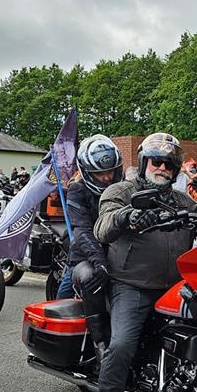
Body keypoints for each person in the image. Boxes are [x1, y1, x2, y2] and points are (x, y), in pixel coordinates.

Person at [82, 132, 197, 392]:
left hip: (178, 284)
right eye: (155, 161)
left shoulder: (180, 200)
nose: (160, 167)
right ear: (145, 162)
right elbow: (103, 225)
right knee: (120, 346)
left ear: (176, 169)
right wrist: (126, 217)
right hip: (132, 285)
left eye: (168, 163)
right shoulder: (122, 191)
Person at [65, 134, 124, 361]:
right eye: (100, 173)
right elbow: (81, 230)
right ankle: (100, 343)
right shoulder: (77, 190)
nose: (107, 177)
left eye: (111, 171)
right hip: (85, 256)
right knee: (91, 278)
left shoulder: (123, 187)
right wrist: (99, 260)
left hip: (119, 252)